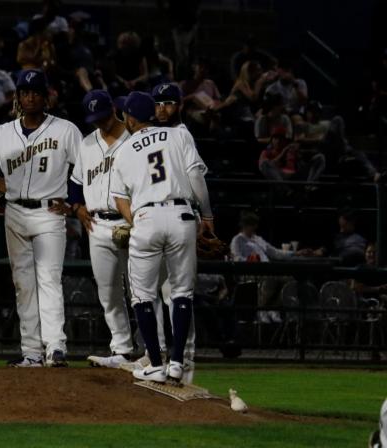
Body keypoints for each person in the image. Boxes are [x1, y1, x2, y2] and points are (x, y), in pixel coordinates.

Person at [0, 69, 82, 367]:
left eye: (35, 92)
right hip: (15, 211)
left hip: (49, 212)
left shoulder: (66, 130)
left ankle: (56, 347)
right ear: (17, 97)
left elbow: (83, 169)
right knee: (23, 283)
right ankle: (31, 351)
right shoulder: (2, 133)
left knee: (49, 279)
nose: (30, 97)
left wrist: (72, 200)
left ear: (46, 97)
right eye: (25, 92)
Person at [111, 91, 214, 383]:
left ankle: (155, 363)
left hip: (146, 218)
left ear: (131, 118)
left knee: (142, 295)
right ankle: (178, 362)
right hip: (182, 216)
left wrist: (138, 221)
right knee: (181, 293)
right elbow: (196, 176)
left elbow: (120, 198)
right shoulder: (179, 135)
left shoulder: (125, 149)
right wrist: (206, 216)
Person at [68, 90, 134, 369]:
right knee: (108, 292)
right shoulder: (86, 144)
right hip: (97, 224)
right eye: (95, 119)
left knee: (142, 291)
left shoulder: (134, 140)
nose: (101, 123)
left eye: (104, 116)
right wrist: (76, 207)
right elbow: (74, 183)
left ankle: (153, 349)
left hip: (131, 222)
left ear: (114, 110)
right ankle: (122, 349)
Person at [230, 211, 312, 323]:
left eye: (255, 225)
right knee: (271, 279)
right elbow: (236, 258)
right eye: (251, 225)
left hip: (267, 269)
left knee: (289, 281)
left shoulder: (258, 239)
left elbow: (275, 252)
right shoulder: (237, 240)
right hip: (251, 272)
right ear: (244, 225)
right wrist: (249, 260)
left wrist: (295, 253)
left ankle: (273, 308)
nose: (254, 228)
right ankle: (262, 309)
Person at [259, 126, 325, 184]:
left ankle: (309, 186)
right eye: (275, 138)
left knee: (320, 157)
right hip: (280, 177)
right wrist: (283, 153)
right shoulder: (266, 152)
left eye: (281, 139)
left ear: (285, 140)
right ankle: (285, 190)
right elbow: (264, 167)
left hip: (295, 176)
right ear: (272, 140)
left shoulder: (291, 150)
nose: (278, 141)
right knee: (265, 163)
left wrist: (299, 155)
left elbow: (303, 163)